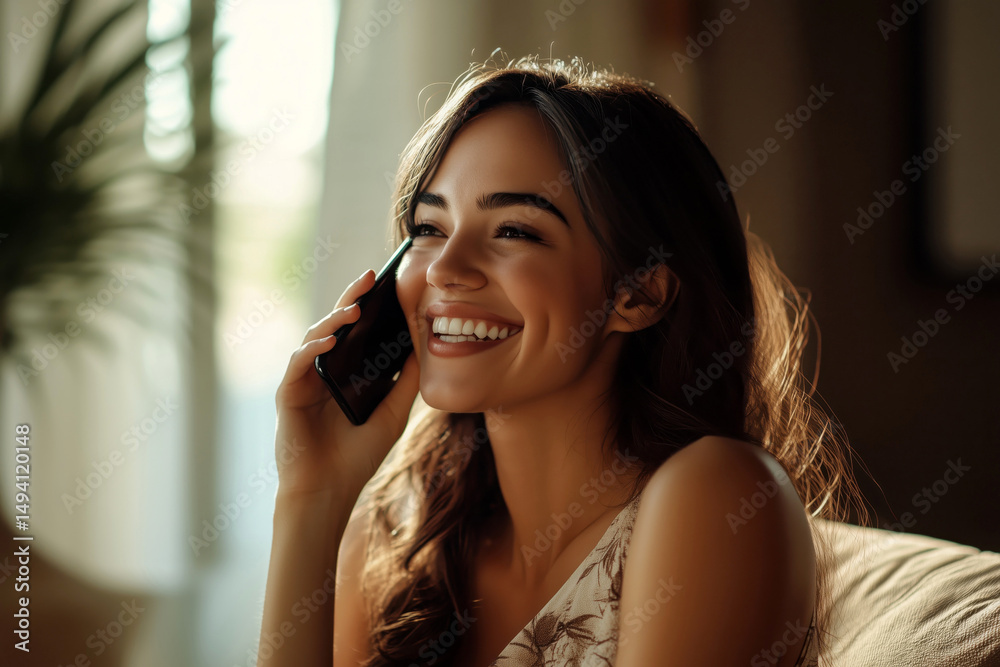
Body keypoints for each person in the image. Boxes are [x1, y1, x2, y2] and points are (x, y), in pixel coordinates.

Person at [256, 54, 868, 667]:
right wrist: (313, 498)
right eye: (429, 227)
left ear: (638, 293)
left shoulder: (717, 494)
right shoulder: (392, 541)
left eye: (515, 231)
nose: (444, 268)